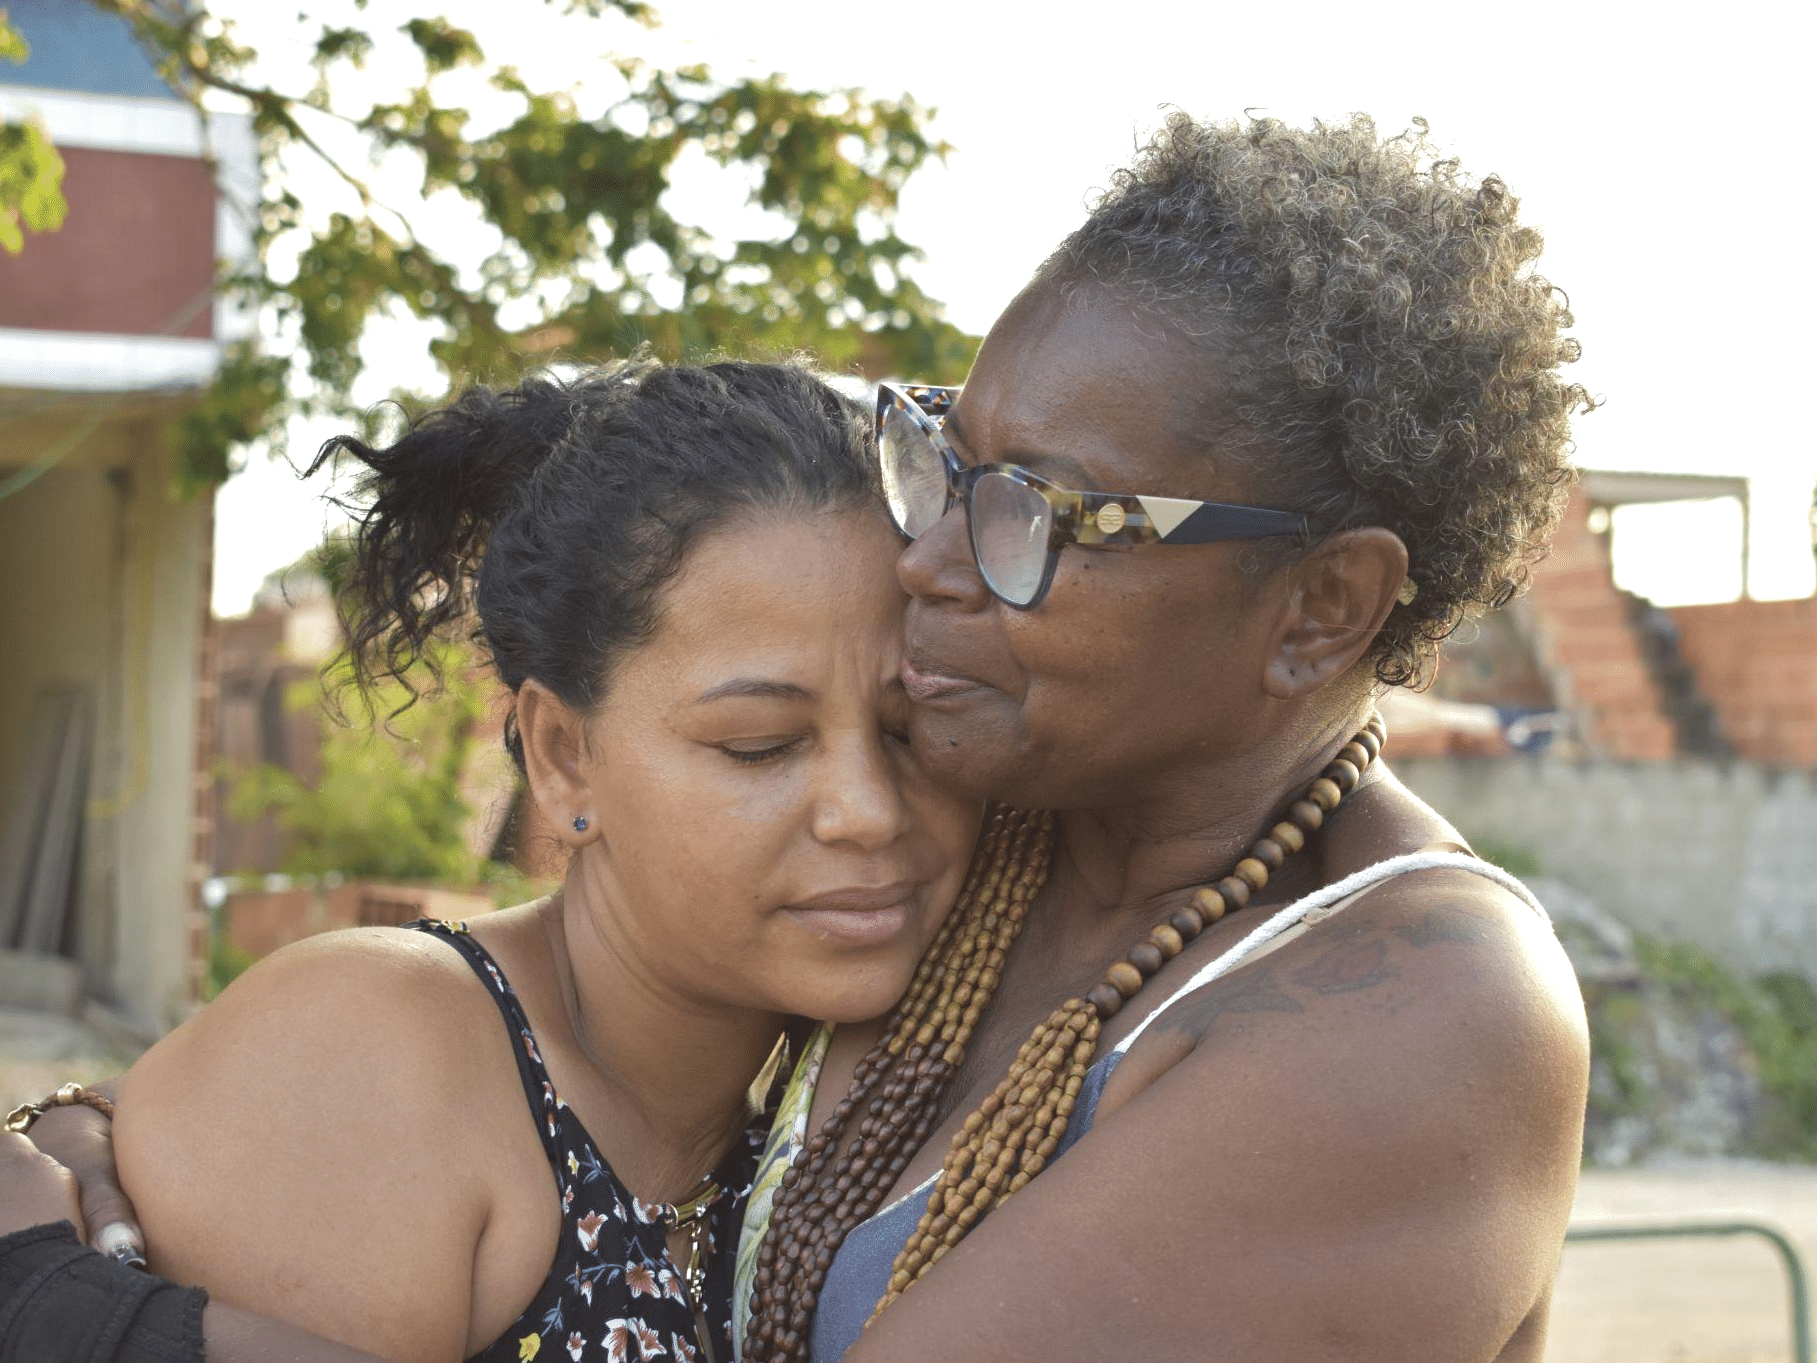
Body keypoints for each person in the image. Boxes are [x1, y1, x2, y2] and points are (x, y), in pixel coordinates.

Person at [8, 112, 1591, 1363]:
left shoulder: (1421, 1010)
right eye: (942, 464)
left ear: (1322, 607)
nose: (934, 557)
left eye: (1038, 512)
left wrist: (74, 1312)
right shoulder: (1004, 834)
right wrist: (113, 1129)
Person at [5, 358, 981, 1363]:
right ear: (562, 757)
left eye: (914, 729)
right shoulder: (383, 1050)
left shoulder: (835, 1104)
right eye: (760, 744)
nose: (867, 811)